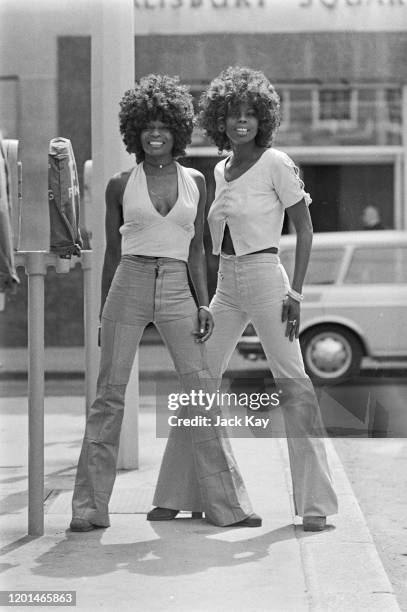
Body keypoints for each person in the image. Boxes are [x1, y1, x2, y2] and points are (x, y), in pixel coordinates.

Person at [70, 74, 260, 532]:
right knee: (109, 397)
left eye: (164, 126)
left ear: (177, 130)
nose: (155, 133)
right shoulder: (120, 184)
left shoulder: (195, 180)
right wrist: (102, 315)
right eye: (146, 126)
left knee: (200, 393)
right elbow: (112, 256)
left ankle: (227, 506)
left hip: (178, 285)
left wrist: (202, 302)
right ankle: (89, 509)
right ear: (135, 131)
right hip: (129, 283)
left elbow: (196, 248)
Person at [198, 66, 338, 531]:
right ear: (220, 119)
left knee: (293, 383)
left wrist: (295, 292)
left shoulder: (276, 162)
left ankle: (315, 504)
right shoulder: (219, 169)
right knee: (197, 377)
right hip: (226, 286)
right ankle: (194, 492)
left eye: (250, 115)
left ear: (263, 120)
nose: (242, 123)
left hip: (266, 279)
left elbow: (304, 227)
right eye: (233, 115)